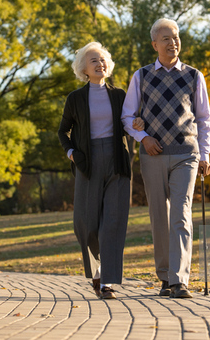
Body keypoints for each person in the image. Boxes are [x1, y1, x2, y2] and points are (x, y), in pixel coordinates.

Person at [121, 18, 210, 299]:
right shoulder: (142, 76)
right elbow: (127, 116)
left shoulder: (194, 76)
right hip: (153, 154)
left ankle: (179, 280)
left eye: (175, 37)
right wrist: (143, 138)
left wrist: (205, 154)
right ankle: (164, 277)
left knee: (181, 214)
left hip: (186, 154)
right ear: (154, 45)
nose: (172, 42)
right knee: (159, 216)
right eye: (166, 38)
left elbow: (204, 118)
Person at [57, 42, 140, 300]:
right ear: (83, 67)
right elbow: (63, 131)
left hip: (117, 161)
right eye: (94, 60)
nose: (99, 64)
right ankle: (95, 272)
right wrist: (73, 154)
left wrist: (136, 124)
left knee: (113, 223)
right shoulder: (75, 98)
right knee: (86, 223)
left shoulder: (119, 95)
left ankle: (107, 282)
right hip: (87, 163)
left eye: (103, 59)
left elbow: (127, 125)